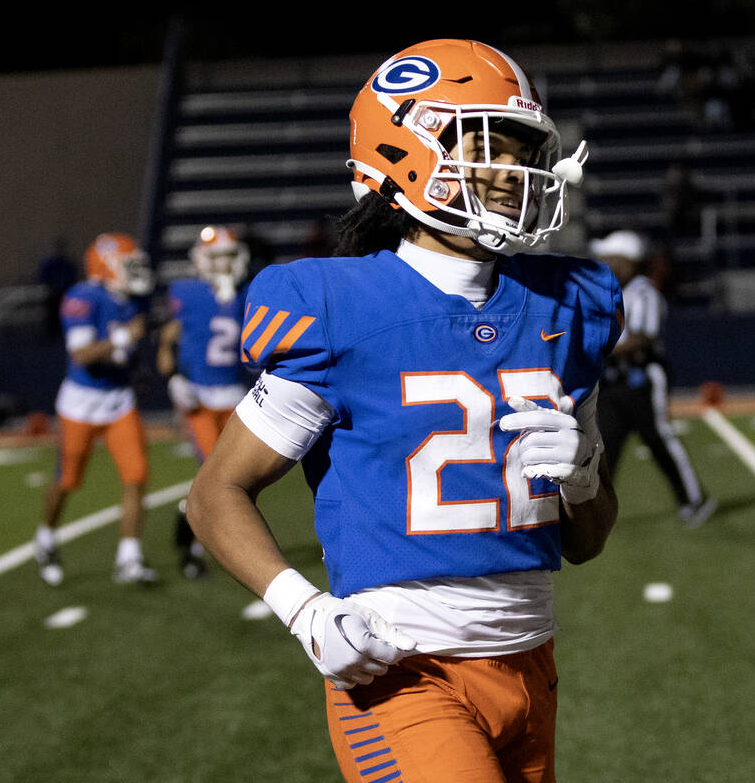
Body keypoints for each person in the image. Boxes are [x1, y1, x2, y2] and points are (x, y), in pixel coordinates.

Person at [185, 38, 622, 781]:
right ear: (406, 152)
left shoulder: (567, 305)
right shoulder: (335, 306)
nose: (515, 173)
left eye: (523, 150)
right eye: (490, 147)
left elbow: (587, 542)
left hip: (532, 662)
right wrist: (303, 608)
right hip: (400, 670)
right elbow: (213, 492)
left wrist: (583, 481)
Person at [34, 232, 159, 586]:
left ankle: (129, 558)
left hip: (119, 399)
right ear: (106, 266)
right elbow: (81, 354)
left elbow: (128, 351)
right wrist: (124, 339)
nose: (136, 271)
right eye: (128, 264)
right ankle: (45, 536)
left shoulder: (135, 300)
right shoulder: (81, 297)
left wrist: (137, 370)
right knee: (68, 480)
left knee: (136, 474)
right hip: (81, 402)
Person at [589, 229, 717, 529]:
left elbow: (643, 337)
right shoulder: (607, 292)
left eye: (611, 258)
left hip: (642, 380)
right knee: (604, 447)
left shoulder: (644, 292)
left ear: (628, 262)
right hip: (612, 383)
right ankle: (594, 511)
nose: (604, 263)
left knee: (660, 440)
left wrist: (598, 351)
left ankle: (695, 499)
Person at [156, 225, 254, 579]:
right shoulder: (189, 293)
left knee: (238, 478)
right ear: (202, 260)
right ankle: (191, 547)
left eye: (230, 256)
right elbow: (166, 341)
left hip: (236, 397)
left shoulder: (246, 294)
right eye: (218, 257)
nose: (225, 264)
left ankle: (203, 542)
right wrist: (173, 379)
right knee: (213, 476)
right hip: (199, 397)